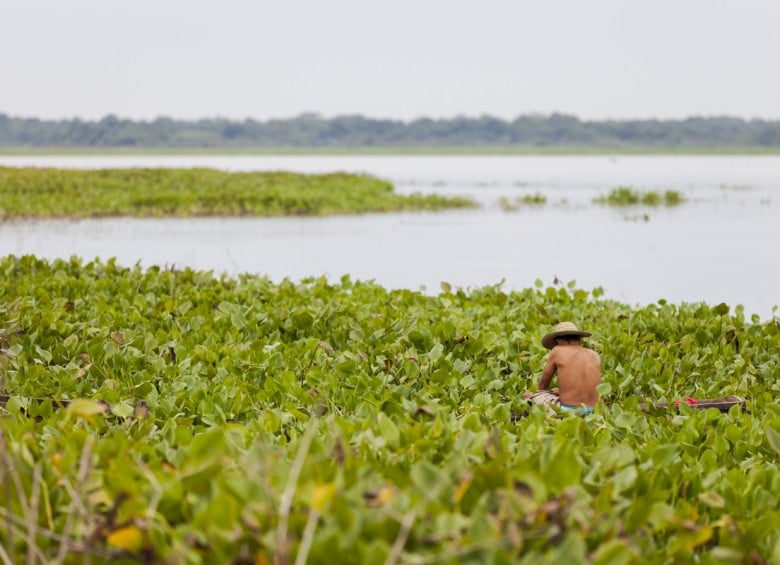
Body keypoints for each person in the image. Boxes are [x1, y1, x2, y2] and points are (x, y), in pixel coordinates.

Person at [524, 322, 601, 414]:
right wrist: (561, 391)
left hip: (568, 411)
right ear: (579, 340)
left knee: (529, 395)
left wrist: (532, 395)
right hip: (593, 411)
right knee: (555, 391)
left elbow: (542, 386)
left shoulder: (557, 351)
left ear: (559, 341)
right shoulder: (594, 355)